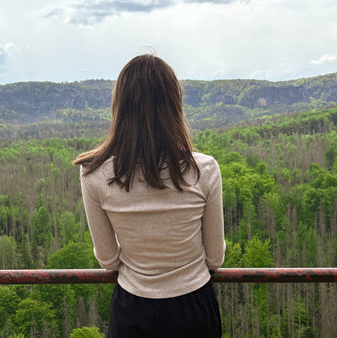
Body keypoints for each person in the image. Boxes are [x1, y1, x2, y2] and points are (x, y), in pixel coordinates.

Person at [73, 54, 225, 338]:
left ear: (120, 106)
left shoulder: (93, 174)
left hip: (132, 309)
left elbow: (108, 260)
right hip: (194, 309)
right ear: (174, 105)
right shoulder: (204, 169)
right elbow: (215, 259)